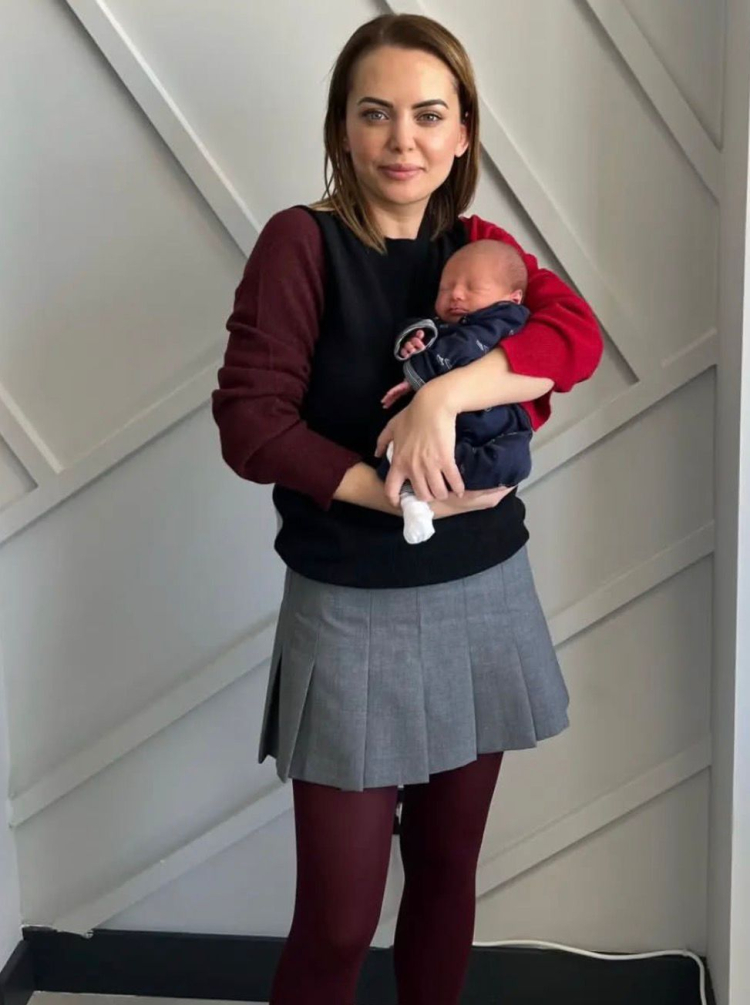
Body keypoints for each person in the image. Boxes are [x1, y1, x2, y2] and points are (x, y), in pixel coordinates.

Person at [211, 12, 603, 1005]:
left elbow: (576, 342)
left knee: (444, 877)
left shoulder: (482, 250)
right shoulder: (300, 244)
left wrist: (442, 398)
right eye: (375, 113)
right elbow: (250, 424)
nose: (403, 140)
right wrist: (387, 496)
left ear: (463, 132)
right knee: (339, 922)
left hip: (484, 592)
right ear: (342, 128)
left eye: (429, 115)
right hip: (349, 606)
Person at [377, 239, 534, 543]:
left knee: (512, 461)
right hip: (443, 429)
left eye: (473, 287)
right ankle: (414, 497)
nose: (456, 294)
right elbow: (424, 333)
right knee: (396, 452)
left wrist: (420, 372)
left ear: (512, 298)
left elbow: (466, 349)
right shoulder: (441, 326)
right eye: (445, 288)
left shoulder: (505, 319)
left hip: (494, 427)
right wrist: (414, 340)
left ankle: (437, 487)